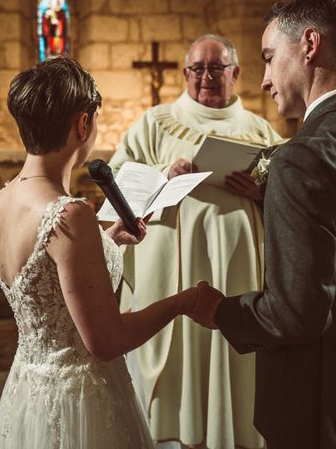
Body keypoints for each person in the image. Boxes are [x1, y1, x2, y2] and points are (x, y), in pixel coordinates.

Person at [190, 0, 336, 449]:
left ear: (310, 45)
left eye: (270, 57)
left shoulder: (303, 157)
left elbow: (295, 314)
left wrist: (219, 310)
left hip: (318, 410)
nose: (263, 80)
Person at [0, 57, 199, 449]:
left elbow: (47, 276)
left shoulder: (3, 200)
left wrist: (110, 239)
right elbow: (105, 340)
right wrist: (183, 303)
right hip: (78, 400)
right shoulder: (70, 215)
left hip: (29, 387)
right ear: (83, 124)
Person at [109, 34, 279, 449]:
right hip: (170, 274)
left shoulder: (261, 131)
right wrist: (162, 175)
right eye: (197, 69)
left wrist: (262, 192)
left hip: (238, 270)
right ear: (185, 74)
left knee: (231, 350)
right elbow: (116, 185)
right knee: (180, 348)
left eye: (216, 68)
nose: (206, 76)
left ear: (235, 74)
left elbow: (295, 195)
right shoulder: (155, 123)